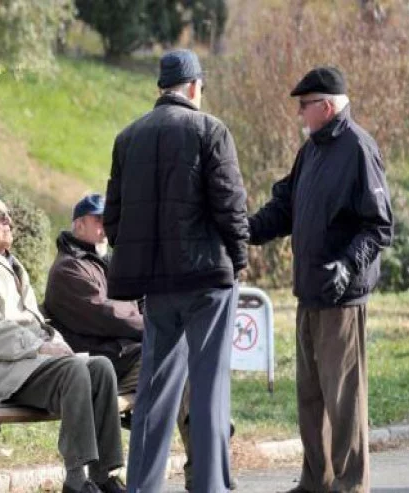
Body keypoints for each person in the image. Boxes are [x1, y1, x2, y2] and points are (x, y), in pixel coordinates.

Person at [104, 49, 249, 493]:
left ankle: (142, 487)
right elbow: (231, 206)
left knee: (154, 391)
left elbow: (113, 218)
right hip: (207, 282)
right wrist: (239, 259)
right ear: (193, 86)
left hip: (157, 287)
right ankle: (210, 487)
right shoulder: (211, 130)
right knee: (208, 392)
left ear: (161, 87)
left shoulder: (128, 137)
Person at [248, 67, 393, 493]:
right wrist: (245, 229)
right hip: (309, 293)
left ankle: (350, 486)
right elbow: (285, 207)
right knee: (311, 399)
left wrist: (348, 266)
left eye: (304, 105)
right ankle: (316, 482)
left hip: (342, 300)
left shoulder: (359, 149)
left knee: (344, 401)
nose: (299, 113)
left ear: (326, 107)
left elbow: (379, 227)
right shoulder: (311, 150)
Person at [45, 193, 236, 491]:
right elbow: (108, 314)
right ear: (79, 224)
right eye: (99, 220)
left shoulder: (103, 262)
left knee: (181, 362)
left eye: (108, 220)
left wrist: (151, 317)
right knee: (180, 363)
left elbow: (139, 301)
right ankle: (206, 453)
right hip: (101, 366)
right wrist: (157, 326)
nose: (106, 226)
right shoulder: (70, 269)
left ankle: (203, 460)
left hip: (122, 358)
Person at [0, 190, 127, 493]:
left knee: (101, 368)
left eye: (8, 215)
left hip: (22, 365)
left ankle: (103, 474)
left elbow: (34, 321)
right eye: (1, 216)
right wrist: (40, 347)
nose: (10, 221)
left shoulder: (9, 263)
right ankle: (75, 478)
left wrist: (54, 341)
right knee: (74, 371)